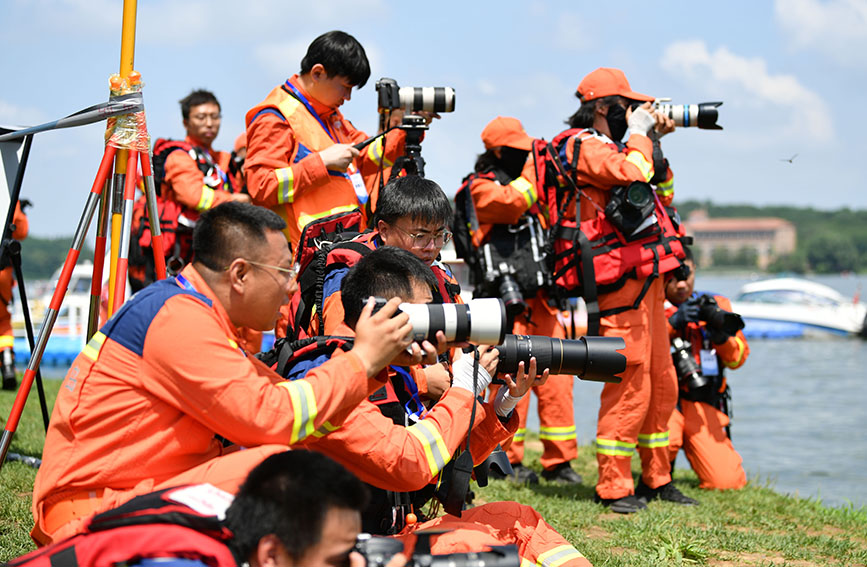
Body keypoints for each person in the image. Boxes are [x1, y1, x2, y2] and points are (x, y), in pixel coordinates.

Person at [31, 202, 426, 546]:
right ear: (239, 275)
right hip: (92, 514)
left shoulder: (190, 312)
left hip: (125, 496)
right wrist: (361, 360)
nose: (292, 289)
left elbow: (294, 404)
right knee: (276, 468)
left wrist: (379, 366)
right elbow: (273, 418)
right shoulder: (180, 319)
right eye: (285, 272)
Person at [301, 246, 590, 567]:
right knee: (474, 543)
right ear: (385, 314)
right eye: (428, 314)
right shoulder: (337, 382)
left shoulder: (395, 376)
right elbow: (412, 464)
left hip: (398, 529)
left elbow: (442, 460)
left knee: (519, 517)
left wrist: (504, 404)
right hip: (355, 550)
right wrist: (463, 390)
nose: (440, 331)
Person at [541, 67, 695, 513]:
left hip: (648, 281)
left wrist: (655, 142)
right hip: (617, 285)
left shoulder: (623, 145)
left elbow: (659, 193)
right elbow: (630, 173)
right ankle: (613, 486)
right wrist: (642, 137)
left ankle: (657, 477)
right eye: (629, 108)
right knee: (630, 382)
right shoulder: (582, 144)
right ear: (605, 109)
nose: (636, 115)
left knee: (660, 381)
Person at [455, 116, 580, 485]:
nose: (526, 155)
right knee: (509, 377)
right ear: (497, 152)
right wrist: (534, 166)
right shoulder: (479, 188)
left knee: (558, 380)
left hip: (541, 297)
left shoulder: (536, 185)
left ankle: (560, 462)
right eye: (519, 151)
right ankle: (508, 456)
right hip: (502, 303)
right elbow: (511, 203)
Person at [244, 30, 410, 250]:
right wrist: (320, 163)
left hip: (340, 246)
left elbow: (370, 154)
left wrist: (407, 130)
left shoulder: (331, 116)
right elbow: (261, 186)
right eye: (345, 87)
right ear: (318, 73)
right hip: (304, 258)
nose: (348, 97)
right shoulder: (276, 116)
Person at [129, 89, 250, 291]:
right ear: (186, 122)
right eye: (201, 117)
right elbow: (194, 196)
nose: (209, 123)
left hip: (213, 251)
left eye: (214, 117)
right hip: (179, 256)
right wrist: (236, 200)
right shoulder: (178, 156)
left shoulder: (223, 160)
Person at [664, 246, 749, 490]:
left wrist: (721, 337)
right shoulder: (653, 307)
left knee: (727, 482)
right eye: (675, 278)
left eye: (686, 276)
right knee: (665, 440)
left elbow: (738, 359)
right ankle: (659, 472)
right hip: (665, 402)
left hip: (705, 403)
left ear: (694, 272)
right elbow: (636, 351)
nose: (681, 285)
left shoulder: (717, 305)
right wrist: (671, 324)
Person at [1, 200, 28, 390]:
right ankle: (7, 362)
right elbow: (21, 232)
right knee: (2, 321)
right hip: (3, 271)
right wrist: (21, 211)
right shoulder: (9, 196)